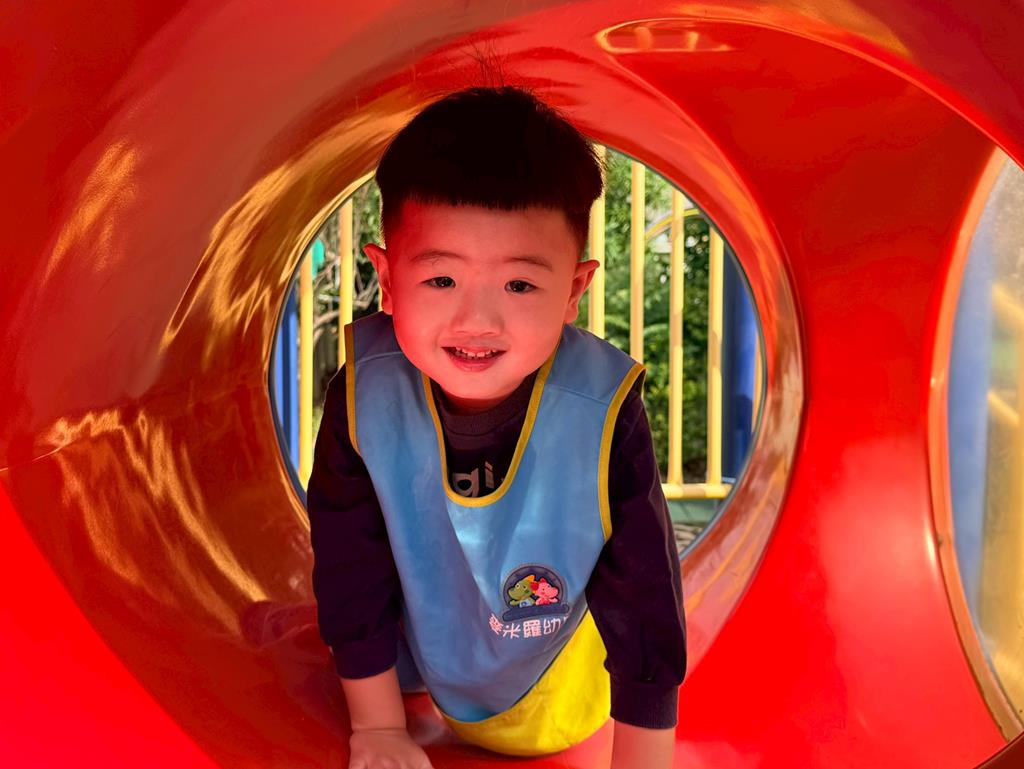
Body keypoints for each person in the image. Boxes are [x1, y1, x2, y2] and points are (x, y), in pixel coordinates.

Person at [306, 86, 686, 769]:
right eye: (441, 280)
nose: (476, 321)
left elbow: (643, 592)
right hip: (423, 659)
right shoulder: (367, 396)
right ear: (386, 278)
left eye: (519, 285)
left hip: (555, 688)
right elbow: (348, 565)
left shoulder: (600, 409)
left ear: (574, 291)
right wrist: (379, 727)